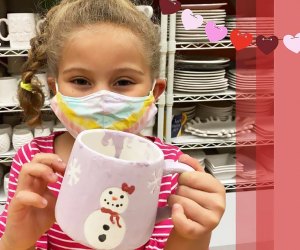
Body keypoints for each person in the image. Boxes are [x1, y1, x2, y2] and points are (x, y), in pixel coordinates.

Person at [0, 0, 225, 249]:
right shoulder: (35, 163)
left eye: (123, 82)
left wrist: (193, 234)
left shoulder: (169, 168)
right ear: (56, 88)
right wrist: (18, 240)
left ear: (155, 92)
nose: (103, 100)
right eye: (81, 80)